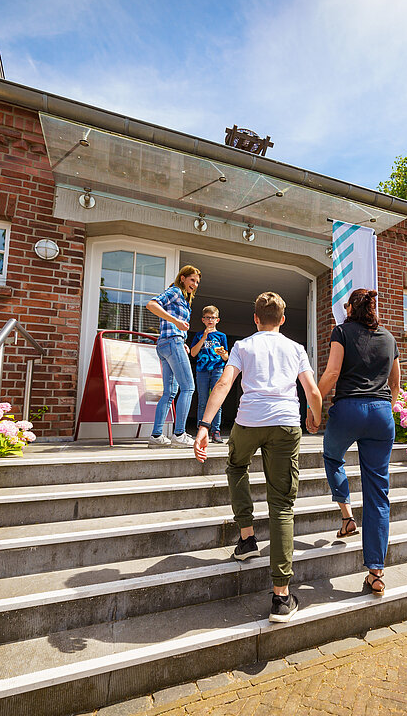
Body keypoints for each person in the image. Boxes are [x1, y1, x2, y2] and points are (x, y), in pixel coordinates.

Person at [194, 292, 322, 623]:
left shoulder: (243, 346)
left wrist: (205, 425)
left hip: (248, 421)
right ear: (282, 319)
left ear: (255, 319)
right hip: (285, 422)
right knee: (282, 505)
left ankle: (247, 537)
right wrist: (314, 418)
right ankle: (281, 597)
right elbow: (313, 391)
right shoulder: (295, 349)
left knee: (236, 466)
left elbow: (224, 383)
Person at [307, 289, 399, 596]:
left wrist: (313, 407)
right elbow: (396, 382)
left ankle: (346, 517)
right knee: (378, 493)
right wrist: (387, 409)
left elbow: (333, 372)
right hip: (381, 413)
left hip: (348, 410)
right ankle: (376, 572)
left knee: (333, 456)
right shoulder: (389, 337)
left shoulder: (341, 331)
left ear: (350, 309)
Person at [145, 265, 201, 448]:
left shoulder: (184, 300)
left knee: (170, 392)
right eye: (192, 279)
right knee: (188, 388)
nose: (195, 284)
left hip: (167, 343)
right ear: (183, 278)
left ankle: (156, 436)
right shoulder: (175, 291)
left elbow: (172, 325)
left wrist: (182, 340)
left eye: (197, 282)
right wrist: (176, 322)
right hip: (171, 342)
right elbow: (151, 304)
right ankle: (179, 434)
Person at [189, 305, 229, 443]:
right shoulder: (199, 335)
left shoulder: (221, 336)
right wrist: (204, 337)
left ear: (217, 320)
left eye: (212, 318)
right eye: (207, 318)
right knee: (202, 401)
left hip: (217, 369)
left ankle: (215, 430)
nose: (210, 320)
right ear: (203, 320)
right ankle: (201, 429)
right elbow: (193, 353)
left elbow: (226, 358)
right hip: (202, 371)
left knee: (217, 400)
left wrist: (223, 353)